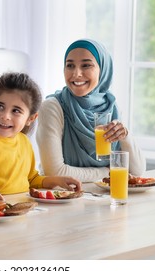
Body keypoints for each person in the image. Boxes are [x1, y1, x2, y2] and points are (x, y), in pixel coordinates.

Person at [36, 39, 146, 182]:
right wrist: (108, 173)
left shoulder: (112, 108)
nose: (76, 74)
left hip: (104, 199)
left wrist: (125, 136)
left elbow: (136, 171)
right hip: (63, 199)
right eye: (70, 65)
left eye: (86, 65)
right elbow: (55, 172)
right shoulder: (53, 107)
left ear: (103, 70)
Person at [0, 72, 82, 200]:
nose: (5, 116)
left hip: (22, 212)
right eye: (0, 106)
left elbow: (31, 179)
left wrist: (56, 181)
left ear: (31, 118)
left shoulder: (24, 142)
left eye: (16, 111)